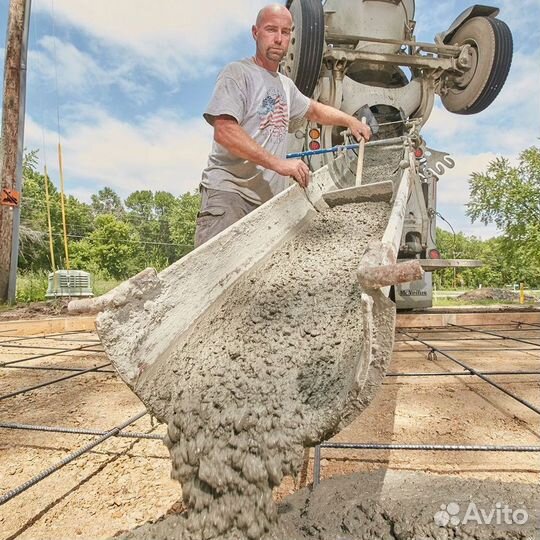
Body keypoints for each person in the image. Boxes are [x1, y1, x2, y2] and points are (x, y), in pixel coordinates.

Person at [194, 3, 371, 247]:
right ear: (255, 33)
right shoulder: (237, 73)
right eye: (271, 30)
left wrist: (350, 121)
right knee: (216, 277)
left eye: (285, 32)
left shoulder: (285, 86)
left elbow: (315, 110)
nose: (278, 39)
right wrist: (278, 163)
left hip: (267, 204)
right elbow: (224, 131)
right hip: (230, 196)